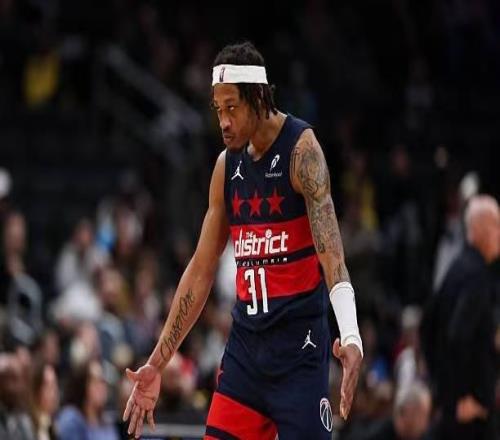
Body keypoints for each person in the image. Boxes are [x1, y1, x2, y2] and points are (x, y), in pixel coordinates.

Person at [123, 41, 363, 439]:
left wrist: (351, 335)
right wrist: (157, 362)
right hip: (246, 355)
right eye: (218, 109)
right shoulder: (226, 166)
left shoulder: (302, 151)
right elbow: (200, 270)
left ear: (258, 97)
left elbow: (332, 256)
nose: (223, 122)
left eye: (231, 107)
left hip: (299, 354)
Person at [421, 194, 500, 440]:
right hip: (471, 410)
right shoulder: (477, 276)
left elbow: (427, 325)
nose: (499, 233)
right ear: (480, 229)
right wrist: (463, 396)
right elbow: (457, 335)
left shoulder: (456, 269)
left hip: (454, 405)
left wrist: (441, 389)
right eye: (496, 225)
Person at [359, 382, 432, 440]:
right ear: (409, 411)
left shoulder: (424, 437)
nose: (426, 424)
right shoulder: (377, 435)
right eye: (423, 416)